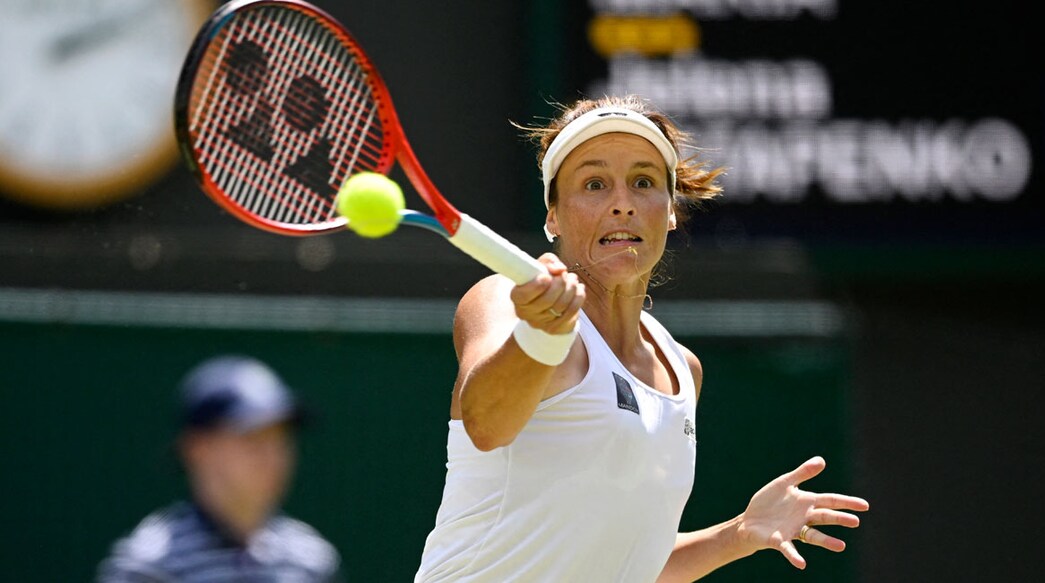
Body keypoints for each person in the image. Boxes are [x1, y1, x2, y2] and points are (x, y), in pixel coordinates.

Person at [414, 95, 869, 582]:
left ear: (670, 212)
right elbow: (485, 425)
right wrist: (540, 335)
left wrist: (738, 533)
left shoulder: (682, 370)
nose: (622, 203)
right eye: (594, 184)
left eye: (644, 182)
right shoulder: (504, 298)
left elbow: (630, 564)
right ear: (553, 216)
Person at [97, 355, 341, 582]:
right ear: (198, 449)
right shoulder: (148, 566)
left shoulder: (312, 559)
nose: (272, 457)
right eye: (253, 439)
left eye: (280, 439)